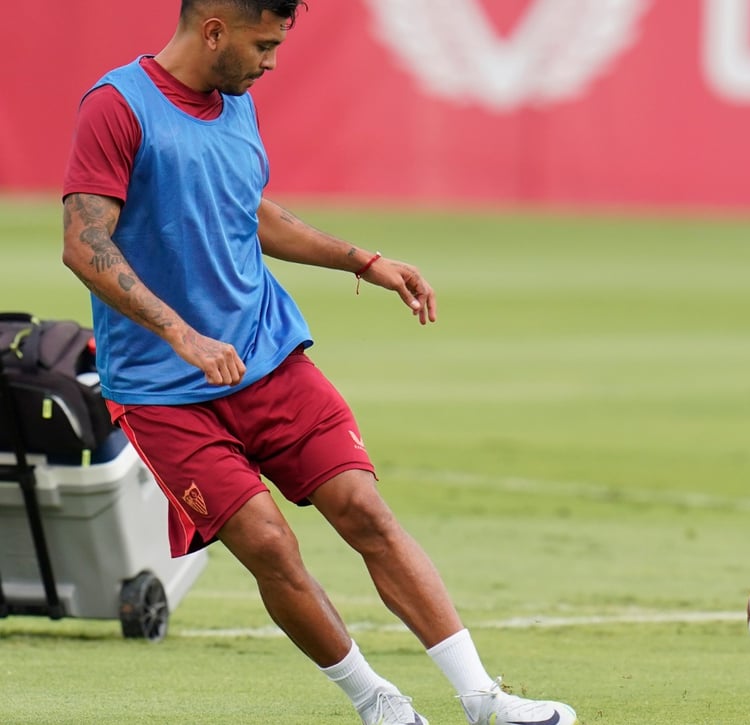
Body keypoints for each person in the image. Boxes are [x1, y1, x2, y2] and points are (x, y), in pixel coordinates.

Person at [60, 2, 578, 724]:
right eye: (263, 44)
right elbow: (85, 243)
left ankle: (484, 699)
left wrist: (360, 259)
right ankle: (380, 704)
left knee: (365, 509)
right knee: (270, 544)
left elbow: (250, 211)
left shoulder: (236, 100)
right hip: (164, 392)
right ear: (214, 31)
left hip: (269, 357)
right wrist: (183, 334)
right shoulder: (116, 108)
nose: (272, 61)